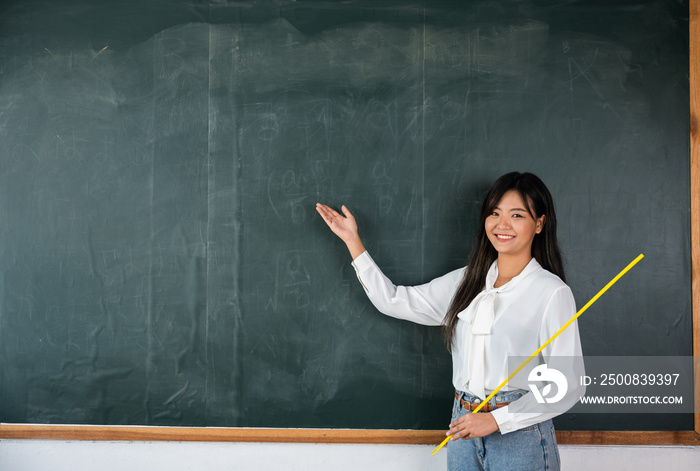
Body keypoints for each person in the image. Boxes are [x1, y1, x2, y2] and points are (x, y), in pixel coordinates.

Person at [316, 172, 584, 471]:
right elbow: (394, 300)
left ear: (539, 224)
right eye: (494, 213)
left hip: (519, 435)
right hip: (463, 426)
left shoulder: (551, 292)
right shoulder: (467, 281)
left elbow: (567, 384)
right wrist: (353, 241)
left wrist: (495, 420)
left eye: (517, 215)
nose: (502, 224)